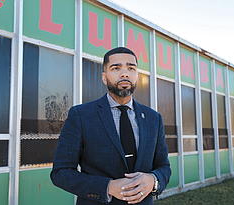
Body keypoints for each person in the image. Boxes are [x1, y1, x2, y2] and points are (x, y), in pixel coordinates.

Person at [50, 47, 171, 205]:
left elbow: (163, 167)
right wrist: (107, 187)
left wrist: (153, 180)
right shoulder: (81, 115)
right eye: (116, 68)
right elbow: (61, 172)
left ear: (137, 76)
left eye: (131, 68)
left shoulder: (154, 118)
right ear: (104, 77)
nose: (124, 73)